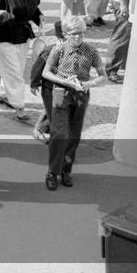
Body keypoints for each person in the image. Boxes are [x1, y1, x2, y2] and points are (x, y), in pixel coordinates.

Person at [42, 16, 104, 191]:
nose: (78, 37)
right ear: (66, 34)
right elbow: (46, 73)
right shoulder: (58, 49)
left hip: (81, 94)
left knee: (74, 135)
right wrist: (65, 82)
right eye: (74, 34)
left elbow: (102, 75)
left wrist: (92, 83)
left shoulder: (91, 50)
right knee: (59, 134)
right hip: (62, 92)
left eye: (81, 33)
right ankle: (52, 172)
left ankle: (66, 170)